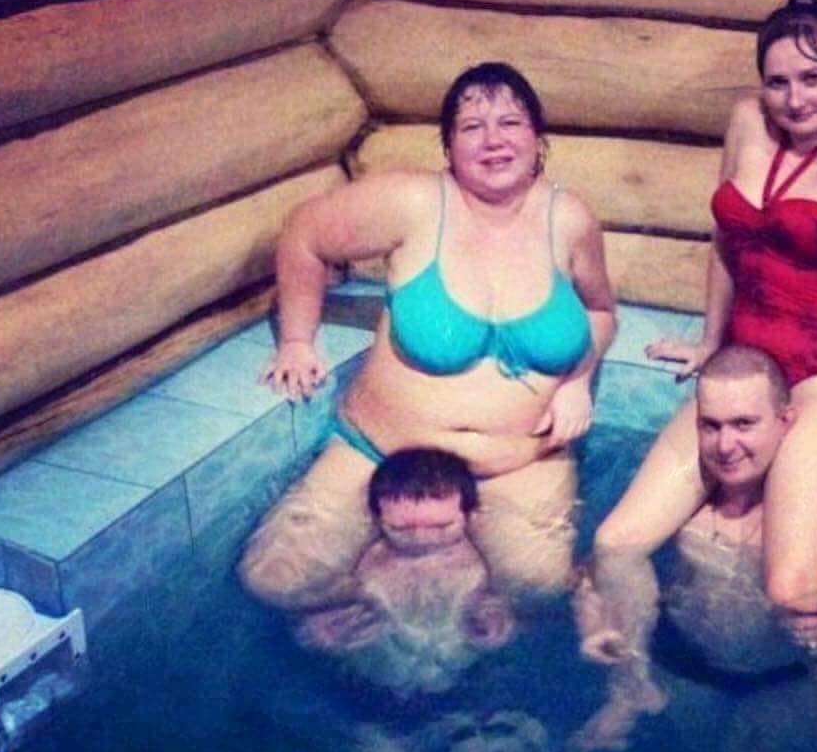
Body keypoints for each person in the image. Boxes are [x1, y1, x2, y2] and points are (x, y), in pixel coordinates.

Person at [589, 0, 817, 638]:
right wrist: (710, 341)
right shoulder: (747, 121)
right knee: (615, 544)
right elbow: (727, 240)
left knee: (792, 591)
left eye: (813, 78)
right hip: (743, 370)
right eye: (778, 82)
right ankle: (633, 685)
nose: (795, 100)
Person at [241, 62, 616, 606]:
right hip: (380, 455)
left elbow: (600, 310)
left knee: (538, 591)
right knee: (276, 580)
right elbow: (305, 233)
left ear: (538, 139)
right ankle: (375, 594)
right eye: (472, 127)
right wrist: (297, 341)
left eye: (510, 123)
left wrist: (577, 381)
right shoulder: (415, 202)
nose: (493, 141)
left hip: (519, 465)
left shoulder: (569, 219)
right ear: (448, 147)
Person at [574, 346, 817, 752]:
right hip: (682, 669)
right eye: (711, 426)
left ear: (785, 421)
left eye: (744, 424)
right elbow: (591, 571)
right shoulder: (679, 501)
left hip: (783, 686)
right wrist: (596, 629)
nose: (726, 446)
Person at [295, 448, 515, 697]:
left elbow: (525, 615)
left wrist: (500, 625)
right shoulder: (363, 565)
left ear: (469, 516)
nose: (422, 538)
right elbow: (306, 624)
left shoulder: (486, 563)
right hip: (370, 689)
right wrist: (320, 633)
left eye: (442, 526)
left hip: (466, 682)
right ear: (377, 520)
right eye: (401, 529)